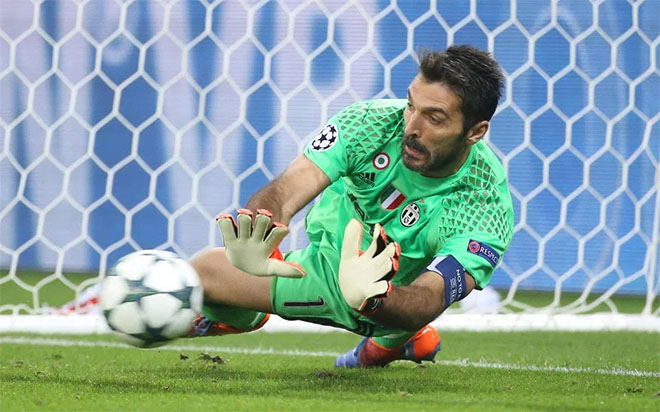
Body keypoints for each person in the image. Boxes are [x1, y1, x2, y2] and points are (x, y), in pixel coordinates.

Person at [189, 45, 514, 368]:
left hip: (394, 303)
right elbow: (289, 188)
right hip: (322, 270)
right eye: (411, 105)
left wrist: (374, 297)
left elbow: (430, 297)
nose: (411, 128)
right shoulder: (369, 124)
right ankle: (390, 345)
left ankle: (385, 341)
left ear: (475, 132)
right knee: (200, 272)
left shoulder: (484, 205)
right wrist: (260, 236)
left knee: (203, 275)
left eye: (434, 118)